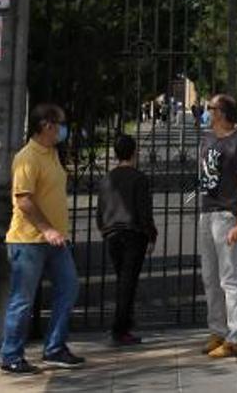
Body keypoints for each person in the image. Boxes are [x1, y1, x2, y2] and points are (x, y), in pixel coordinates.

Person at [0, 103, 85, 374]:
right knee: (22, 300)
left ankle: (55, 348)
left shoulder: (52, 154)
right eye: (59, 124)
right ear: (47, 125)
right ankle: (11, 355)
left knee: (69, 288)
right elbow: (23, 200)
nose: (62, 129)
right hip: (28, 240)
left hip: (55, 241)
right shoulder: (28, 157)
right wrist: (47, 228)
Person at [197, 94, 237, 359]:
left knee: (229, 278)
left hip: (226, 215)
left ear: (221, 112)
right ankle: (217, 329)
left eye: (210, 108)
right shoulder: (207, 138)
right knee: (210, 277)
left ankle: (236, 336)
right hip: (207, 213)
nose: (206, 111)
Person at [96, 134, 158, 346]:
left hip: (112, 232)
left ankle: (124, 325)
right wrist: (151, 235)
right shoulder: (139, 178)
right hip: (133, 233)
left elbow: (100, 210)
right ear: (134, 152)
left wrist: (104, 229)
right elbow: (144, 211)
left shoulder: (106, 179)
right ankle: (120, 329)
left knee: (123, 279)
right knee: (128, 282)